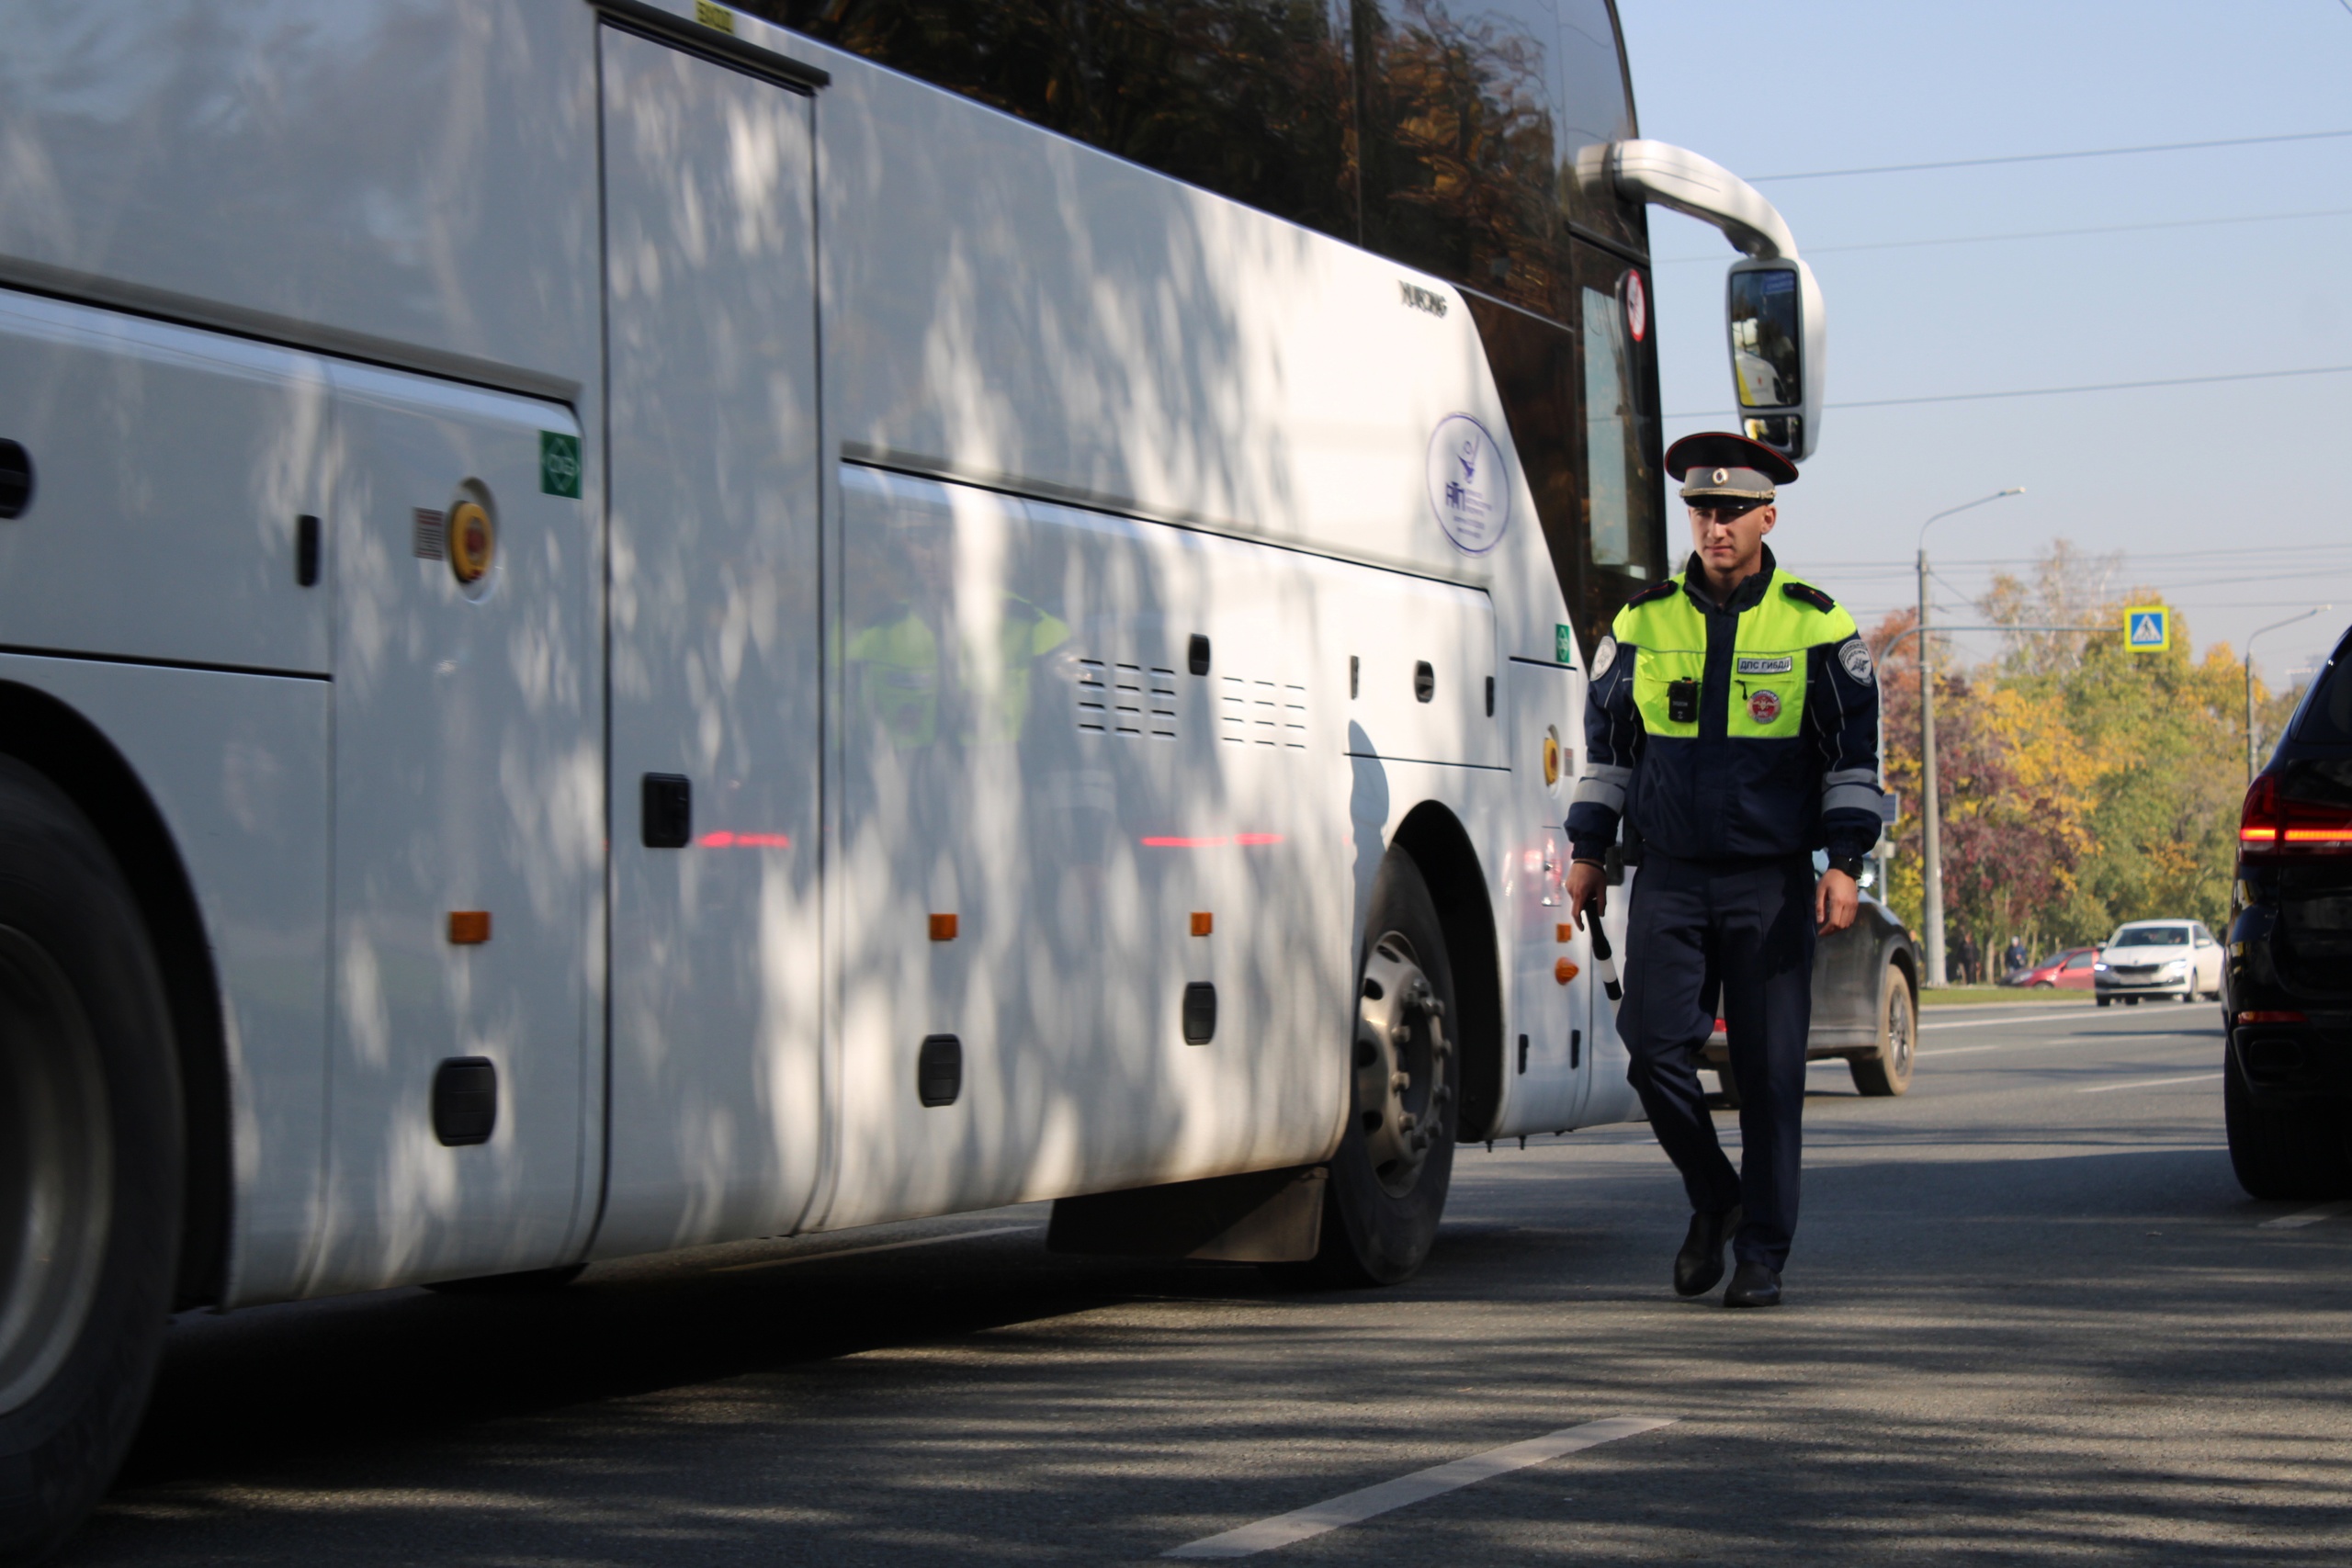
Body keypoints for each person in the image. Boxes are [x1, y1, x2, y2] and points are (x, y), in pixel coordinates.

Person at [1565, 432, 1884, 1309]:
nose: (1715, 525)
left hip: (1771, 882)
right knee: (1651, 1052)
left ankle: (1763, 1255)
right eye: (1702, 511)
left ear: (1766, 517)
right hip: (1669, 874)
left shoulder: (1816, 623)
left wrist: (1845, 861)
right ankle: (1717, 1197)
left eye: (1732, 511)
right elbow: (1609, 753)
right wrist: (1589, 849)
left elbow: (1851, 757)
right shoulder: (1642, 621)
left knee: (1773, 1076)